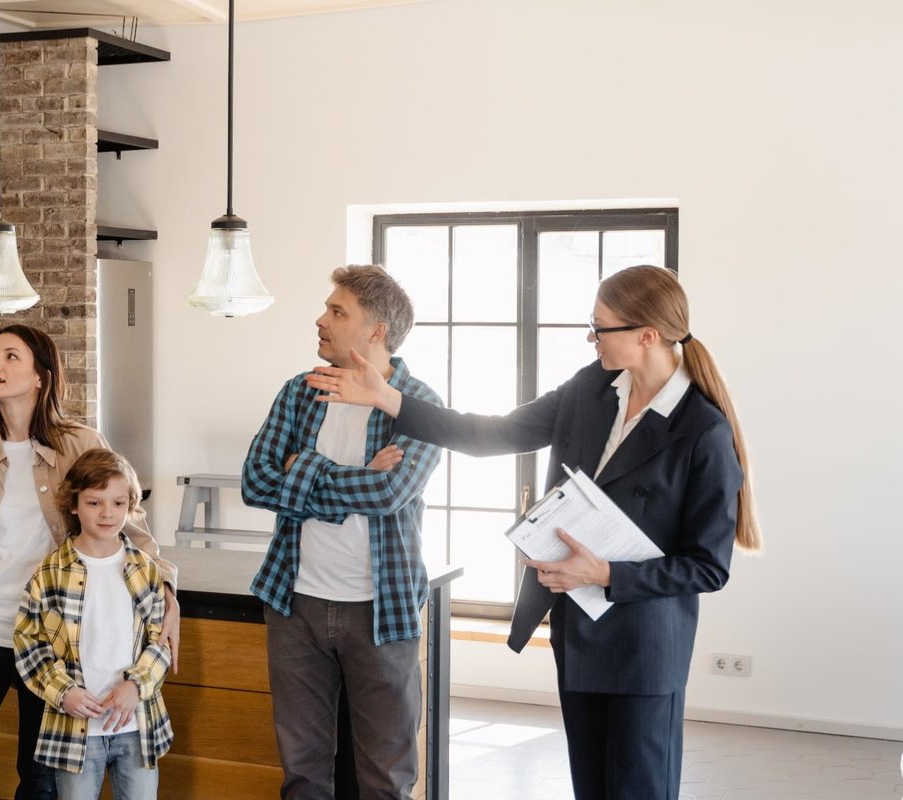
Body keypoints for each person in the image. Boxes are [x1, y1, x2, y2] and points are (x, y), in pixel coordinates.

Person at [305, 264, 761, 800]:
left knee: (640, 789)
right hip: (578, 630)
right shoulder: (593, 387)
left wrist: (606, 572)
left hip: (644, 645)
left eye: (601, 327)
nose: (592, 339)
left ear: (647, 335)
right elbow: (491, 433)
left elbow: (708, 566)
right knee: (590, 787)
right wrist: (389, 399)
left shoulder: (702, 430)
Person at [0, 324, 179, 800]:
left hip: (53, 648)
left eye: (11, 357)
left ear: (41, 376)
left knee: (41, 785)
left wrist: (168, 593)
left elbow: (128, 524)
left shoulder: (80, 442)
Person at [241, 265, 443, 800]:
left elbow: (388, 495)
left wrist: (300, 471)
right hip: (294, 603)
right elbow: (256, 482)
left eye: (337, 311)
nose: (320, 319)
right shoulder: (300, 391)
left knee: (386, 779)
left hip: (382, 610)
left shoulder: (419, 405)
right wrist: (356, 475)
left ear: (376, 330)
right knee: (303, 775)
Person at [13, 448, 172, 800]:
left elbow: (160, 640)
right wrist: (63, 692)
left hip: (137, 726)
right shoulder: (50, 572)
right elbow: (28, 642)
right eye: (94, 502)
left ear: (130, 506)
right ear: (74, 505)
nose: (107, 513)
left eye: (118, 503)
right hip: (74, 730)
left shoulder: (145, 568)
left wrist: (136, 686)